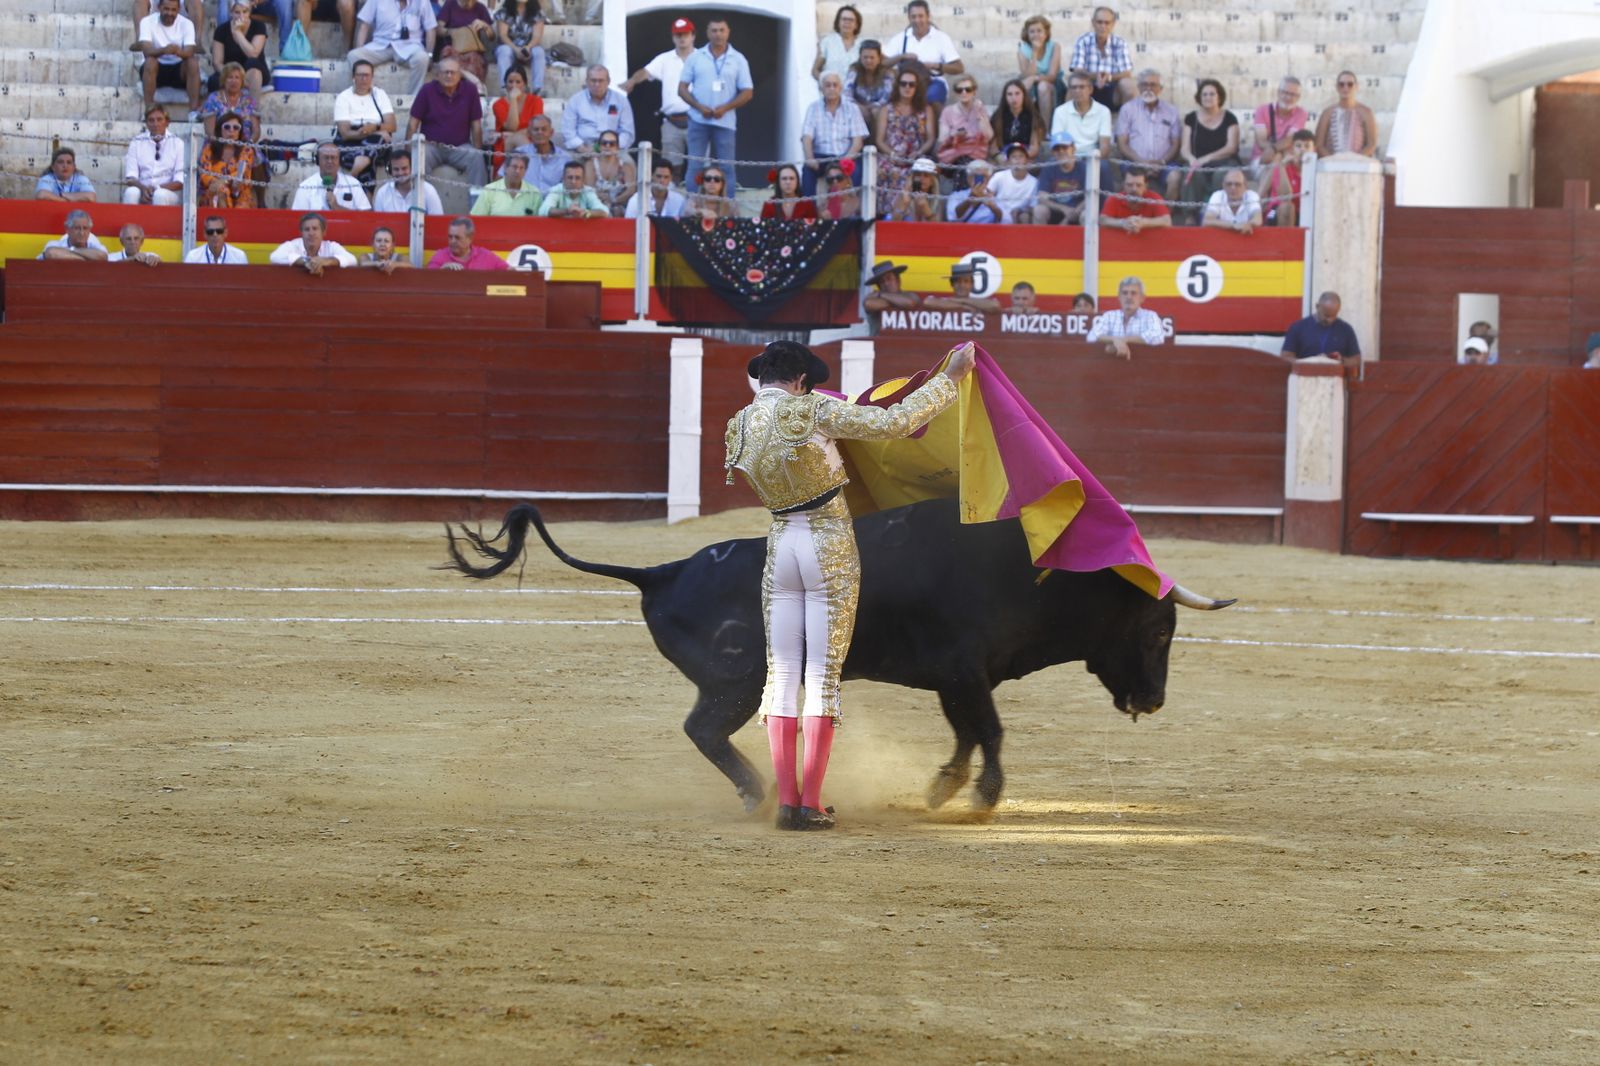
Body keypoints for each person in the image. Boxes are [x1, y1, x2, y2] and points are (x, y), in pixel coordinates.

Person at [723, 339, 974, 831]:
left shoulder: (739, 424)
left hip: (781, 546)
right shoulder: (812, 409)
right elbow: (895, 423)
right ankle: (810, 804)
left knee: (782, 673)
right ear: (801, 381)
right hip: (827, 545)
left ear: (763, 377)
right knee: (821, 674)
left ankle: (787, 803)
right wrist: (950, 380)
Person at [678, 17, 754, 189]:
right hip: (698, 120)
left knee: (727, 167)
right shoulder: (695, 57)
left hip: (725, 121)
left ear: (728, 32)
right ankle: (693, 202)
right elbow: (681, 89)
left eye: (721, 30)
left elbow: (748, 92)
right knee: (695, 165)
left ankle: (727, 204)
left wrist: (726, 108)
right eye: (714, 30)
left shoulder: (738, 59)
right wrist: (699, 107)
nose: (718, 34)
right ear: (707, 33)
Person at [619, 18, 697, 176]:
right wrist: (632, 81)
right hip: (671, 122)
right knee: (671, 167)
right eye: (678, 35)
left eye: (686, 34)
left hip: (698, 121)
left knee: (700, 165)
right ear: (673, 37)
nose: (682, 38)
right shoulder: (664, 59)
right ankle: (673, 190)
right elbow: (645, 72)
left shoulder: (704, 58)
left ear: (693, 36)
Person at [406, 57, 487, 188]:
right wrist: (408, 153)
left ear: (460, 75)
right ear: (437, 75)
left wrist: (478, 150)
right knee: (420, 158)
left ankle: (478, 201)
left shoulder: (470, 90)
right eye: (445, 72)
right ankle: (421, 200)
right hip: (431, 147)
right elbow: (412, 124)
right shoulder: (427, 90)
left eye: (453, 72)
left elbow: (476, 126)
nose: (449, 76)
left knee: (477, 158)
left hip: (460, 147)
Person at [1114, 68, 1181, 202]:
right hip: (1134, 161)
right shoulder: (1127, 109)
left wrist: (1161, 163)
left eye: (1153, 85)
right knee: (1132, 180)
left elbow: (1175, 143)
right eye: (1144, 84)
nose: (1148, 88)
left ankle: (1166, 212)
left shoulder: (1171, 111)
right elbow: (1122, 143)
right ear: (1138, 87)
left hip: (1164, 163)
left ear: (1160, 88)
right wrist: (1141, 162)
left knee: (1175, 177)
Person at [1179, 79, 1240, 224]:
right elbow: (1184, 149)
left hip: (1224, 162)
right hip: (1198, 163)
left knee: (1222, 174)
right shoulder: (1191, 118)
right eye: (1204, 94)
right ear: (1199, 97)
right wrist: (1191, 159)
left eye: (1212, 94)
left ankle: (1220, 214)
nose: (1208, 97)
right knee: (1190, 171)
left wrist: (1207, 158)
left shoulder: (1230, 118)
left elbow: (1231, 147)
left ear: (1219, 97)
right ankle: (1190, 216)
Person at [876, 67, 937, 208]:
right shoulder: (886, 109)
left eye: (911, 84)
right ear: (897, 86)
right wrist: (892, 154)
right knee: (886, 170)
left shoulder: (926, 110)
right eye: (903, 84)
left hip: (916, 155)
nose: (907, 87)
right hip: (892, 156)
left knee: (919, 172)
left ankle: (916, 211)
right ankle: (888, 213)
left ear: (917, 87)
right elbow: (879, 140)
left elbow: (931, 138)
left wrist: (919, 152)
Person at [882, 0, 963, 106]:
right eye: (913, 16)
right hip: (905, 83)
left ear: (928, 16)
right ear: (908, 18)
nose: (917, 20)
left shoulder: (941, 38)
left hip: (932, 81)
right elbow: (882, 63)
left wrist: (935, 66)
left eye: (921, 16)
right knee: (886, 97)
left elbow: (959, 68)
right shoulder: (900, 38)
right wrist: (901, 57)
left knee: (931, 97)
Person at [801, 72, 868, 198]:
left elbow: (858, 141)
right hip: (821, 157)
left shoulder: (852, 108)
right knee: (807, 171)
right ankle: (808, 209)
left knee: (857, 171)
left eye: (835, 85)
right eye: (828, 85)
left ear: (840, 88)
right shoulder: (813, 108)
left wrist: (846, 160)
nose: (832, 88)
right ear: (821, 88)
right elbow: (807, 137)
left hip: (846, 155)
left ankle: (856, 209)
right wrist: (810, 158)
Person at [348, 0, 436, 96]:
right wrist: (359, 48)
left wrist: (430, 55)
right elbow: (364, 25)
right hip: (381, 45)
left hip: (409, 47)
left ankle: (414, 98)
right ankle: (365, 95)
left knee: (423, 58)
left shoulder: (422, 1)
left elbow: (431, 28)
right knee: (353, 56)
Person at [334, 59, 396, 187]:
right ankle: (365, 195)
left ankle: (352, 176)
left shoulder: (380, 94)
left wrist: (375, 128)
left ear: (372, 77)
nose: (364, 79)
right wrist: (371, 132)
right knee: (370, 158)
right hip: (351, 141)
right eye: (360, 75)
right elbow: (345, 134)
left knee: (376, 141)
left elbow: (392, 125)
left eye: (367, 75)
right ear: (353, 77)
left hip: (376, 140)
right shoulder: (344, 97)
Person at [135, 0, 200, 115]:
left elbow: (190, 51)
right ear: (159, 7)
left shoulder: (186, 23)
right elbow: (146, 51)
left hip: (178, 69)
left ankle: (193, 112)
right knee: (150, 62)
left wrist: (178, 52)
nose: (170, 13)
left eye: (173, 10)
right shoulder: (147, 21)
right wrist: (164, 50)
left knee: (193, 63)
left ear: (178, 10)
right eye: (166, 9)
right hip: (156, 69)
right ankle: (149, 110)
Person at [1068, 5, 1133, 111]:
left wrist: (1109, 77)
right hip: (1088, 85)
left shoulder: (1120, 43)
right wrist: (1096, 76)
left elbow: (1126, 72)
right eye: (1099, 22)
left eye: (1107, 23)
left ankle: (1127, 120)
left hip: (1113, 87)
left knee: (1128, 85)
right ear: (1093, 22)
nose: (1103, 26)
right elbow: (1077, 69)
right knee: (1075, 83)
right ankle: (1070, 120)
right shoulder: (1083, 40)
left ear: (1113, 24)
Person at [1050, 72, 1111, 183]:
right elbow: (1057, 144)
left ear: (1090, 89)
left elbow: (1105, 147)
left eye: (1082, 87)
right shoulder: (1060, 111)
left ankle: (1105, 196)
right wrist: (1070, 159)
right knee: (1050, 164)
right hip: (1067, 155)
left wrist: (1092, 159)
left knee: (1104, 166)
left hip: (1092, 157)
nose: (1077, 91)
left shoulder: (1103, 111)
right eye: (1074, 87)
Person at [562, 65, 635, 156]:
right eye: (593, 80)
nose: (597, 84)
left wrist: (612, 146)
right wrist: (582, 148)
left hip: (614, 149)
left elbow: (627, 132)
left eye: (601, 81)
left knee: (628, 163)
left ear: (608, 81)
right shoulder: (575, 100)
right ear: (587, 81)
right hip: (582, 149)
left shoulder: (621, 101)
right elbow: (568, 131)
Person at [1086, 276, 1163, 358]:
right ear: (1119, 297)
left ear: (1142, 298)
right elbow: (1092, 336)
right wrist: (1115, 340)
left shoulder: (1150, 316)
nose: (1129, 297)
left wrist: (1122, 341)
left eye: (1133, 293)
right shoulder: (1109, 316)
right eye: (1125, 293)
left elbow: (1157, 337)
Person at [123, 106, 186, 206]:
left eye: (159, 119)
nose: (155, 124)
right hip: (142, 189)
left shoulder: (178, 144)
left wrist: (156, 188)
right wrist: (143, 189)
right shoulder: (136, 142)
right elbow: (130, 177)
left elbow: (180, 181)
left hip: (167, 193)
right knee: (131, 192)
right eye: (151, 120)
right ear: (146, 124)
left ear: (167, 122)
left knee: (159, 195)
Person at [935, 74, 990, 182]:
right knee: (965, 164)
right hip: (954, 156)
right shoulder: (948, 111)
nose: (964, 92)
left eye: (968, 89)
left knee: (970, 166)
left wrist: (979, 114)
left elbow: (988, 136)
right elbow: (942, 139)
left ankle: (962, 191)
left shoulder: (980, 109)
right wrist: (954, 134)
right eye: (959, 90)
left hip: (975, 155)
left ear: (974, 92)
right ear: (955, 93)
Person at [198, 111, 259, 208]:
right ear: (220, 130)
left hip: (240, 193)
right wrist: (218, 184)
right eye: (227, 127)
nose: (231, 130)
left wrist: (223, 181)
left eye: (236, 127)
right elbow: (204, 174)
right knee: (221, 190)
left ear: (240, 132)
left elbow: (243, 173)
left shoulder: (247, 150)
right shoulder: (209, 149)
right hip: (214, 190)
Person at [1251, 77, 1309, 177]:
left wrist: (1275, 150)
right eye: (1285, 92)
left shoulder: (1301, 113)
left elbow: (1290, 140)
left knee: (1281, 164)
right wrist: (1276, 152)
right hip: (1262, 158)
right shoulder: (1262, 110)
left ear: (1298, 97)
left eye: (1293, 94)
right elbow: (1261, 142)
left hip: (1286, 157)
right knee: (1277, 167)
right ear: (1278, 92)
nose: (1288, 97)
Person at [1280, 291, 1361, 363]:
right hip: (1305, 373)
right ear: (1317, 306)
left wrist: (1341, 360)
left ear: (1338, 309)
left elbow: (1356, 360)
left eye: (1333, 316)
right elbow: (1285, 357)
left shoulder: (1346, 330)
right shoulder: (1298, 327)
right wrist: (1310, 362)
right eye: (1326, 315)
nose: (1329, 320)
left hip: (1335, 374)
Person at [490, 64, 542, 174]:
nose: (514, 85)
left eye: (518, 82)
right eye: (510, 82)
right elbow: (512, 126)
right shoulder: (498, 105)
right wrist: (513, 99)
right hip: (506, 145)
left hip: (531, 141)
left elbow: (535, 128)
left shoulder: (536, 101)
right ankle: (531, 173)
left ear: (524, 84)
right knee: (518, 138)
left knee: (521, 139)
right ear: (505, 84)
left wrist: (513, 134)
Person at [211, 0, 270, 96]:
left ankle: (252, 105)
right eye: (237, 12)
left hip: (255, 69)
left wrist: (238, 33)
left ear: (249, 11)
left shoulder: (258, 26)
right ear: (231, 13)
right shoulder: (221, 30)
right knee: (213, 81)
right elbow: (217, 62)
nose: (241, 16)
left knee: (252, 64)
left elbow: (253, 54)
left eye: (245, 12)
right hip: (230, 71)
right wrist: (233, 76)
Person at [1315, 71, 1378, 158]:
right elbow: (1319, 145)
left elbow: (1371, 144)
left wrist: (1356, 160)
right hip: (1331, 163)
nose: (1345, 88)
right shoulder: (1327, 113)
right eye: (1341, 84)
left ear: (1356, 86)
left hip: (1359, 163)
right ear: (1337, 87)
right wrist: (1333, 160)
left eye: (1350, 84)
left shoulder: (1366, 112)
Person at [293, 142, 373, 211]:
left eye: (333, 158)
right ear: (317, 161)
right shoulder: (305, 187)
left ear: (339, 161)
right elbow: (298, 218)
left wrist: (336, 206)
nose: (330, 161)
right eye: (326, 158)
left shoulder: (353, 184)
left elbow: (366, 216)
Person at [1261, 129, 1315, 227]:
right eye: (1298, 146)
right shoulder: (1282, 166)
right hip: (1273, 212)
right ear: (1292, 149)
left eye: (1307, 146)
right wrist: (1282, 167)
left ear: (1314, 150)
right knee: (1288, 207)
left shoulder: (1317, 172)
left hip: (1302, 215)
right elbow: (1286, 196)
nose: (1303, 149)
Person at [269, 213, 358, 272]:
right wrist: (306, 262)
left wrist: (326, 261)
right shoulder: (292, 245)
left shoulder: (331, 246)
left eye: (315, 229)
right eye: (307, 229)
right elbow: (274, 257)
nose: (311, 233)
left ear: (323, 232)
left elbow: (352, 260)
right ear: (301, 233)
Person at [200, 61, 261, 143]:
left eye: (237, 78)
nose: (234, 81)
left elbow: (256, 131)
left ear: (242, 81)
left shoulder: (249, 101)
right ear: (224, 80)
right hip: (217, 145)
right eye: (230, 77)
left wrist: (249, 143)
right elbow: (209, 131)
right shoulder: (213, 99)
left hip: (244, 146)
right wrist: (223, 146)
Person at [436, 0, 495, 83]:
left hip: (473, 50)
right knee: (450, 59)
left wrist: (485, 25)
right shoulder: (450, 4)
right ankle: (469, 79)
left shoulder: (480, 8)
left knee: (474, 60)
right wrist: (454, 32)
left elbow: (492, 37)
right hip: (453, 47)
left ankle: (472, 85)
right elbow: (438, 29)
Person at [1017, 15, 1064, 119]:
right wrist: (1034, 52)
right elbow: (1026, 76)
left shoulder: (1054, 47)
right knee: (1019, 87)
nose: (1036, 35)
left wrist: (1035, 78)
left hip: (1053, 85)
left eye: (1039, 31)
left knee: (1042, 86)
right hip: (1031, 84)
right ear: (1027, 34)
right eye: (1032, 31)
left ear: (1046, 33)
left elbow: (1052, 76)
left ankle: (1045, 127)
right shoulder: (1023, 49)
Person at [493, 0, 545, 93]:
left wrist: (528, 47)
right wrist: (516, 49)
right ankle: (505, 88)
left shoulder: (537, 13)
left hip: (528, 48)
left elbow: (537, 36)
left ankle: (538, 88)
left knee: (539, 51)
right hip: (510, 47)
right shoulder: (504, 12)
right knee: (504, 50)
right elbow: (503, 35)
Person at [1101, 167, 1171, 235]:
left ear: (1146, 186)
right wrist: (1123, 223)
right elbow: (1103, 220)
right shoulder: (1115, 198)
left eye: (1139, 185)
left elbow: (1167, 221)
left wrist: (1143, 222)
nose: (1134, 189)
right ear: (1123, 185)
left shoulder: (1153, 197)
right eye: (1129, 185)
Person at [1031, 136, 1083, 224]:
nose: (1061, 151)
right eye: (1057, 149)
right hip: (1055, 211)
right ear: (1052, 152)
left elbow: (1089, 199)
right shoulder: (1048, 167)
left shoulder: (1083, 167)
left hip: (1077, 211)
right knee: (1039, 210)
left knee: (1087, 214)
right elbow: (1042, 198)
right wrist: (1063, 208)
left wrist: (1071, 215)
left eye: (1065, 147)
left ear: (1073, 148)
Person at [473, 151, 543, 215]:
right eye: (514, 167)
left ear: (525, 171)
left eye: (521, 168)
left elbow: (539, 222)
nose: (518, 171)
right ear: (505, 168)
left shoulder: (534, 193)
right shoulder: (489, 190)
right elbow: (476, 220)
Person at [427, 216, 512, 269]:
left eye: (457, 237)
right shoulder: (440, 256)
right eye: (450, 237)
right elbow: (429, 279)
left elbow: (510, 272)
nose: (452, 241)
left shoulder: (486, 256)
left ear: (470, 238)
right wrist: (442, 270)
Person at [372, 150, 443, 213]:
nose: (400, 173)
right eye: (396, 169)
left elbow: (438, 221)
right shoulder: (382, 193)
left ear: (412, 168)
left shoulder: (428, 190)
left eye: (404, 168)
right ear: (390, 171)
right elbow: (378, 222)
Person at [585, 132, 636, 217]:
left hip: (618, 205)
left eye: (612, 144)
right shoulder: (590, 165)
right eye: (604, 143)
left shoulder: (625, 166)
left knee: (617, 210)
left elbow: (631, 190)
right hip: (596, 204)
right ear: (599, 146)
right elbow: (589, 188)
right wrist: (602, 199)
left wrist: (614, 200)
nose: (607, 146)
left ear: (617, 147)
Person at [990, 79, 1043, 161]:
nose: (1014, 98)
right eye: (1009, 94)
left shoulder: (1033, 117)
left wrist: (1020, 159)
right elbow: (993, 148)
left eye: (1017, 93)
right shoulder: (998, 117)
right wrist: (1003, 159)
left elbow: (1034, 147)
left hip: (1026, 158)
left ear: (1024, 95)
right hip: (1004, 158)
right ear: (1005, 97)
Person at [513, 114, 568, 192]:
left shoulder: (564, 158)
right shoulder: (519, 154)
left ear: (551, 132)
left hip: (554, 198)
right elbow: (502, 179)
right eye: (536, 129)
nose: (540, 132)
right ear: (529, 133)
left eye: (544, 129)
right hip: (525, 197)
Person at [987, 142, 1038, 224]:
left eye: (1021, 156)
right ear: (1008, 161)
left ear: (1027, 160)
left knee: (1025, 217)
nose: (1017, 160)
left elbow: (1033, 206)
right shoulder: (999, 176)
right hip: (998, 216)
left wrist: (1019, 212)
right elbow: (988, 194)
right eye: (1014, 157)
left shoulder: (1034, 182)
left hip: (1020, 218)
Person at [538, 159, 608, 218]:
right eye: (570, 177)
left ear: (583, 180)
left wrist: (585, 213)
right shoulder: (556, 190)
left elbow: (604, 211)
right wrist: (567, 211)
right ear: (563, 179)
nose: (573, 182)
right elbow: (542, 211)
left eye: (577, 178)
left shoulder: (588, 191)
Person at [845, 38, 893, 123]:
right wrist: (858, 106)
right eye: (865, 57)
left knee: (877, 112)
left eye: (872, 57)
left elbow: (887, 96)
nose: (868, 61)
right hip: (858, 107)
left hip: (878, 108)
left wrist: (874, 106)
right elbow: (847, 93)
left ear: (879, 58)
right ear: (860, 57)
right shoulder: (854, 70)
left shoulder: (887, 73)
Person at [812, 4, 862, 83]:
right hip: (832, 89)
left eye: (851, 20)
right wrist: (826, 82)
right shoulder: (827, 42)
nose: (847, 22)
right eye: (844, 19)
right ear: (838, 22)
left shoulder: (862, 44)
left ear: (856, 25)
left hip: (855, 90)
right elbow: (815, 70)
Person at [924, 261, 1001, 312]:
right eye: (957, 281)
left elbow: (995, 305)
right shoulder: (945, 300)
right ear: (952, 284)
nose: (962, 285)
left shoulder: (978, 302)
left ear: (972, 284)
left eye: (966, 281)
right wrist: (963, 306)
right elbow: (927, 302)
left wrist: (961, 301)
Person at [1202, 169, 1262, 233]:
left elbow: (1258, 219)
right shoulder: (1217, 195)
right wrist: (1233, 226)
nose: (1233, 188)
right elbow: (1206, 221)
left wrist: (1247, 225)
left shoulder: (1252, 195)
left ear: (1245, 186)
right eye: (1229, 184)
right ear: (1223, 186)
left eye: (1237, 184)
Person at [38, 210, 110, 262]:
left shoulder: (96, 246)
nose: (82, 233)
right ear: (67, 229)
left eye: (85, 228)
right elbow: (51, 254)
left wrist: (72, 250)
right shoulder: (54, 244)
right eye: (77, 228)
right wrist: (88, 258)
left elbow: (103, 256)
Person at [623, 161, 687, 218]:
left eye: (666, 177)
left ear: (671, 178)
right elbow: (629, 224)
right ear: (651, 176)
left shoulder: (679, 200)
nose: (662, 180)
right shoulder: (636, 200)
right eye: (659, 176)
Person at [945, 159, 1001, 223]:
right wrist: (969, 199)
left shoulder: (996, 197)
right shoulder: (956, 196)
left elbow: (1004, 220)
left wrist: (992, 206)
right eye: (976, 176)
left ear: (989, 178)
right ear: (968, 178)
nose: (980, 179)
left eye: (983, 176)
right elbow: (953, 218)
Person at [890, 156, 941, 221]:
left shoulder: (938, 200)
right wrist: (904, 204)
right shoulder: (904, 195)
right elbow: (893, 222)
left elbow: (938, 226)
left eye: (926, 175)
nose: (921, 178)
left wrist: (927, 211)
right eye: (918, 175)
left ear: (932, 181)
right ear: (913, 178)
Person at [184, 215, 250, 263]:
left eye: (219, 231)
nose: (215, 235)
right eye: (210, 232)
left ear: (225, 233)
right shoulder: (193, 257)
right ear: (205, 234)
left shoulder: (239, 257)